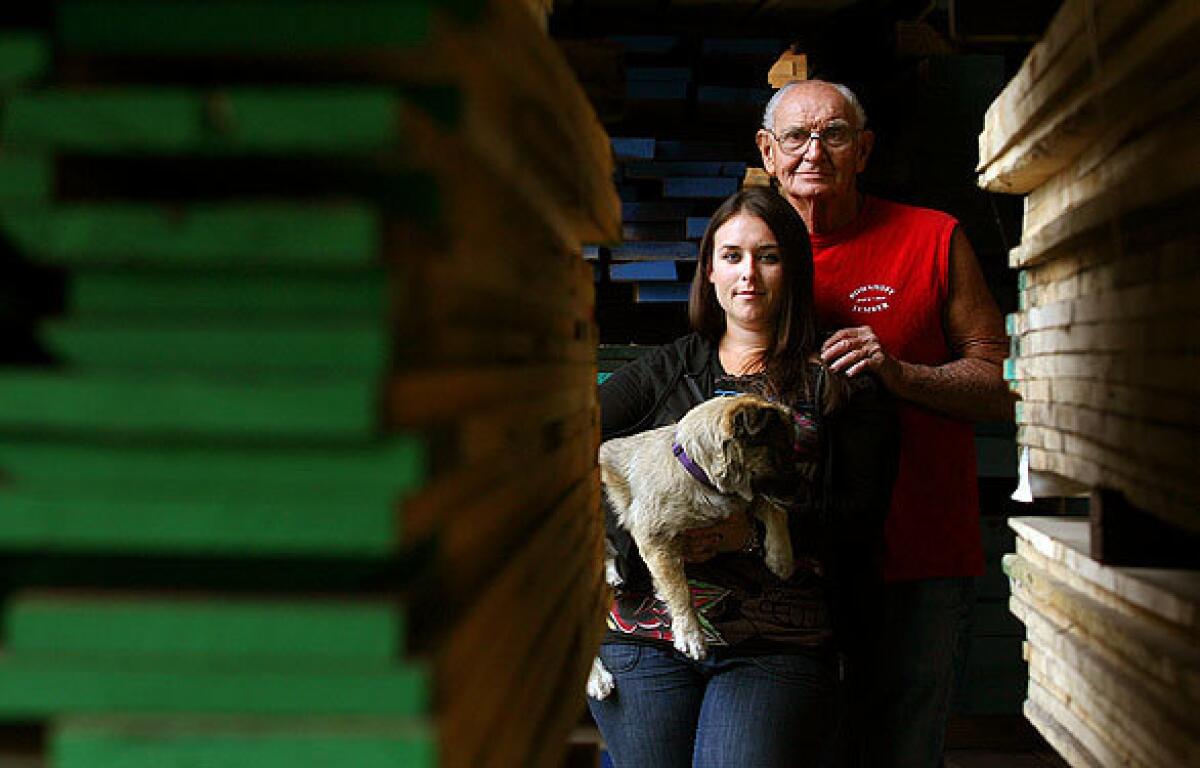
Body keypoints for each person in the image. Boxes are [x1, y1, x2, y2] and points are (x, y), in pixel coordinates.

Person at [590, 185, 897, 768]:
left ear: (795, 269)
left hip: (773, 640)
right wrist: (642, 528)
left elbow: (862, 514)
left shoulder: (838, 379)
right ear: (709, 272)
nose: (748, 274)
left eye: (768, 255)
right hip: (645, 630)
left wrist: (746, 535)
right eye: (731, 256)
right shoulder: (670, 366)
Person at [756, 80, 1015, 767]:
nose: (815, 151)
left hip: (919, 552)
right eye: (796, 137)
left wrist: (900, 374)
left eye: (834, 134)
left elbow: (1003, 385)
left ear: (863, 149)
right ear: (768, 152)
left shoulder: (932, 238)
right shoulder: (746, 251)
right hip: (782, 559)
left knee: (902, 750)